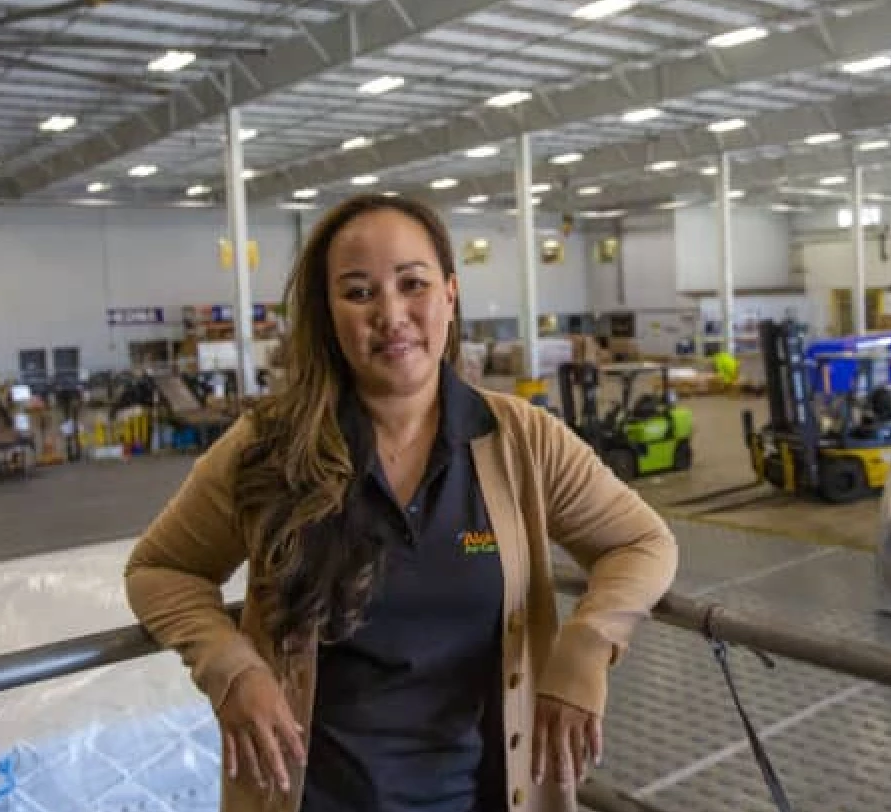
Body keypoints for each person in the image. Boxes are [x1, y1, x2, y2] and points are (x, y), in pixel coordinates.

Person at [125, 193, 678, 812]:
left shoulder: (522, 440)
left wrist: (588, 643)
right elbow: (159, 569)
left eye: (412, 284)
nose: (391, 315)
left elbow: (643, 541)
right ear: (328, 313)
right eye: (359, 292)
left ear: (450, 294)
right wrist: (230, 668)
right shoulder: (270, 446)